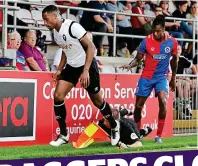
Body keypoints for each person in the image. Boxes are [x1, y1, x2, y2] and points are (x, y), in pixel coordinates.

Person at [42, 5, 120, 147]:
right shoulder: (56, 32)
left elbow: (91, 47)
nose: (44, 23)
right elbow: (66, 49)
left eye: (46, 19)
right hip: (72, 66)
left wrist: (85, 71)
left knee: (97, 101)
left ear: (55, 16)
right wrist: (59, 69)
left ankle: (114, 126)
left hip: (87, 66)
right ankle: (64, 134)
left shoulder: (73, 27)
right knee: (58, 96)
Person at [120, 15, 179, 143]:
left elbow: (174, 61)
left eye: (158, 31)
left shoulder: (172, 42)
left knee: (163, 101)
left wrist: (173, 78)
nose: (156, 33)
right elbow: (138, 58)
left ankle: (158, 136)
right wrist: (129, 65)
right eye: (154, 31)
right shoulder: (146, 41)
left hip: (162, 77)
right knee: (138, 107)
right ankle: (137, 133)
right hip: (146, 77)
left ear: (164, 29)